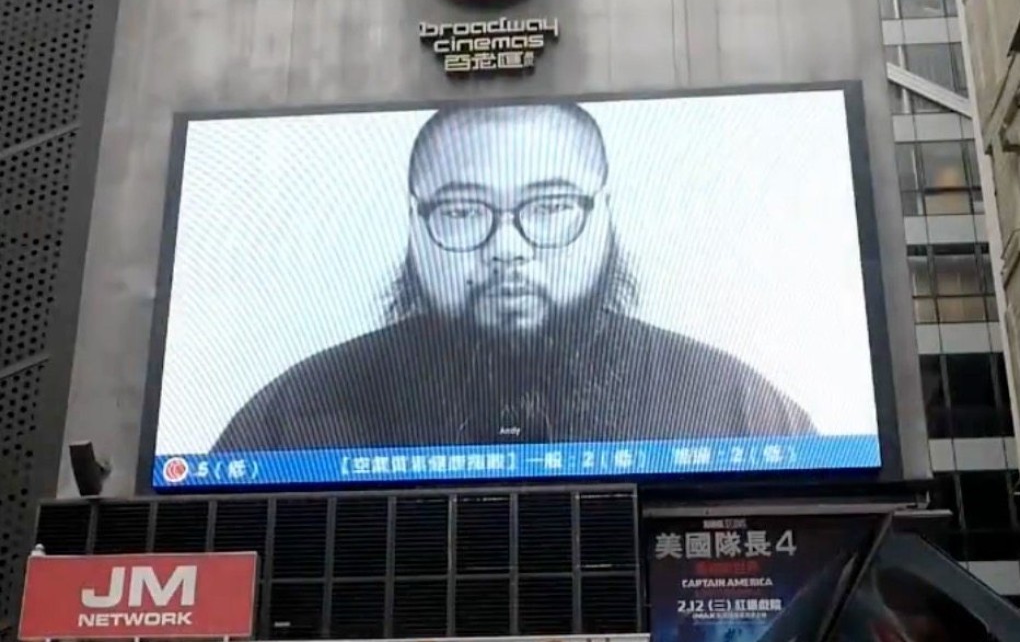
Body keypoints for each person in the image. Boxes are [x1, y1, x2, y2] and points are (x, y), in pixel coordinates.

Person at [213, 103, 815, 452]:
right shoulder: (292, 418)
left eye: (551, 207)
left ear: (606, 211)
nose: (507, 250)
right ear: (414, 220)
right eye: (462, 211)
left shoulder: (734, 409)